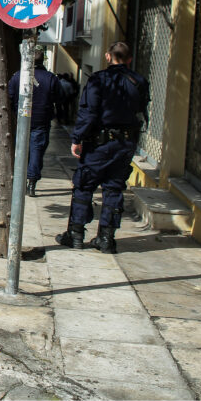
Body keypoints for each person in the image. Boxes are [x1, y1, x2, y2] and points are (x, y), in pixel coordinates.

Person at [57, 41, 150, 253]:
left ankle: (75, 234)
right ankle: (107, 238)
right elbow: (141, 112)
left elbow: (89, 113)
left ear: (108, 57)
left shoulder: (98, 80)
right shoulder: (139, 82)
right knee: (114, 187)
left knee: (84, 185)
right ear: (129, 60)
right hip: (125, 143)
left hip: (98, 144)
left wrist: (77, 138)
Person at [7, 49, 62, 198]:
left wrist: (15, 112)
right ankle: (32, 182)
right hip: (41, 120)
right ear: (42, 60)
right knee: (36, 152)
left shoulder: (18, 76)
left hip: (21, 119)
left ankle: (20, 180)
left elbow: (10, 97)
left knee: (21, 151)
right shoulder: (51, 78)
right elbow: (59, 99)